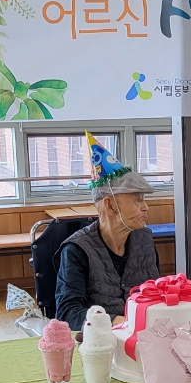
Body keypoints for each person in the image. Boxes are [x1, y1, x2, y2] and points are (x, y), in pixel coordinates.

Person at [54, 133, 161, 329]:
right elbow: (67, 313)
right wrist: (117, 322)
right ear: (110, 205)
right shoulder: (76, 250)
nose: (145, 207)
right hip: (98, 340)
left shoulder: (144, 239)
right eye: (137, 200)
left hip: (145, 335)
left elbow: (156, 293)